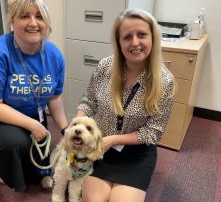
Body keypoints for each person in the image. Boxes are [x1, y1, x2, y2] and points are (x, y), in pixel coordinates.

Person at [0, 0, 68, 192]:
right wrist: (33, 125)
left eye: (39, 16)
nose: (33, 22)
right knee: (15, 143)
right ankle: (0, 158)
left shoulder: (54, 55)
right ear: (12, 21)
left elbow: (54, 98)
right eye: (24, 16)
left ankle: (12, 151)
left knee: (37, 171)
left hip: (31, 112)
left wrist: (65, 130)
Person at [76, 9, 176, 202]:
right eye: (127, 37)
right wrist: (79, 129)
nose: (135, 43)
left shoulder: (164, 81)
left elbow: (153, 132)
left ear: (153, 38)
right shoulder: (105, 67)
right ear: (119, 42)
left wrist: (113, 140)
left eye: (142, 35)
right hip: (99, 146)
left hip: (136, 153)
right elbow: (88, 102)